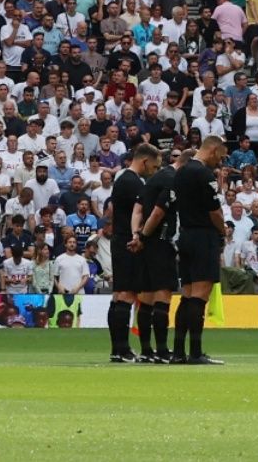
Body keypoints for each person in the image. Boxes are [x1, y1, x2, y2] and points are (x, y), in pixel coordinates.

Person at [106, 145, 172, 363]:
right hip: (128, 241)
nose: (154, 170)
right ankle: (122, 349)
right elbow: (139, 211)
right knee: (126, 295)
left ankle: (118, 348)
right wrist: (138, 235)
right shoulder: (132, 182)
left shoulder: (122, 179)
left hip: (120, 239)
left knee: (119, 296)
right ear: (144, 161)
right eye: (154, 166)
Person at [169, 136, 228, 365]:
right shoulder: (203, 174)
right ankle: (195, 352)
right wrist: (223, 231)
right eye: (220, 157)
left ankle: (177, 352)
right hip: (203, 236)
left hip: (185, 235)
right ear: (212, 150)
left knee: (187, 294)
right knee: (200, 296)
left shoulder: (181, 171)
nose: (220, 162)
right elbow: (214, 212)